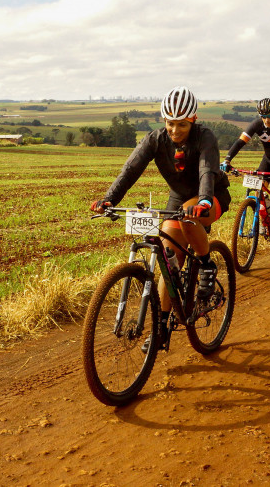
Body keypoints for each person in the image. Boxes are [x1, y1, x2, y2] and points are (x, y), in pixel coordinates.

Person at [90, 86, 230, 351]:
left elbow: (206, 171)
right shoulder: (155, 139)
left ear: (193, 120)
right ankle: (161, 329)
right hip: (178, 199)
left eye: (181, 124)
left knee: (189, 220)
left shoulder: (205, 137)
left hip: (210, 195)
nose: (175, 130)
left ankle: (206, 263)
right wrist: (110, 199)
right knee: (168, 258)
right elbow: (131, 169)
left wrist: (203, 201)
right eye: (170, 123)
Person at [220, 97, 270, 239]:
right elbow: (240, 142)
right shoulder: (257, 125)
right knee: (258, 188)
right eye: (263, 117)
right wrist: (227, 160)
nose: (267, 120)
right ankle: (267, 216)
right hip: (268, 160)